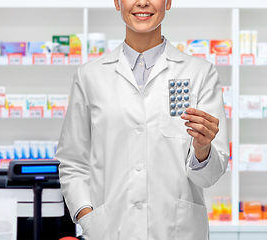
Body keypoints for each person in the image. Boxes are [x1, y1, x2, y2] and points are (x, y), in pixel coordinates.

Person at [55, 0, 230, 239]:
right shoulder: (90, 76)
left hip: (177, 231)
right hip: (111, 231)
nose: (143, 2)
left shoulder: (200, 73)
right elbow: (73, 161)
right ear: (117, 2)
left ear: (168, 2)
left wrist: (202, 148)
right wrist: (88, 216)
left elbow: (208, 177)